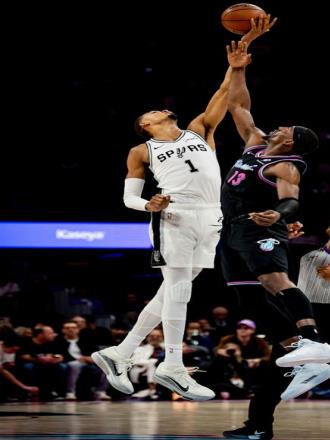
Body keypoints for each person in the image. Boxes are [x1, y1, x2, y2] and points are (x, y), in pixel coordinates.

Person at [91, 18, 276, 401]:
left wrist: (239, 57)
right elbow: (129, 198)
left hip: (211, 215)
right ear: (146, 125)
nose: (161, 108)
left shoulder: (200, 130)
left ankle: (120, 352)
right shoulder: (141, 151)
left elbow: (224, 92)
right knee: (179, 289)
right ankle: (172, 366)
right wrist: (149, 203)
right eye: (153, 111)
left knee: (173, 289)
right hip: (174, 214)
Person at [220, 40, 330, 399]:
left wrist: (279, 214)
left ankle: (314, 341)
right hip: (231, 230)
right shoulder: (254, 142)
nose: (282, 126)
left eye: (289, 128)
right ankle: (305, 360)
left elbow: (290, 200)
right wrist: (238, 66)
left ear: (291, 142)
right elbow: (238, 105)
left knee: (275, 281)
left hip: (260, 226)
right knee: (248, 299)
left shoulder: (285, 165)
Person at [223, 215, 330, 440]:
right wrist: (283, 236)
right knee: (276, 373)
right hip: (303, 323)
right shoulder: (305, 252)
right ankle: (258, 427)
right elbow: (273, 265)